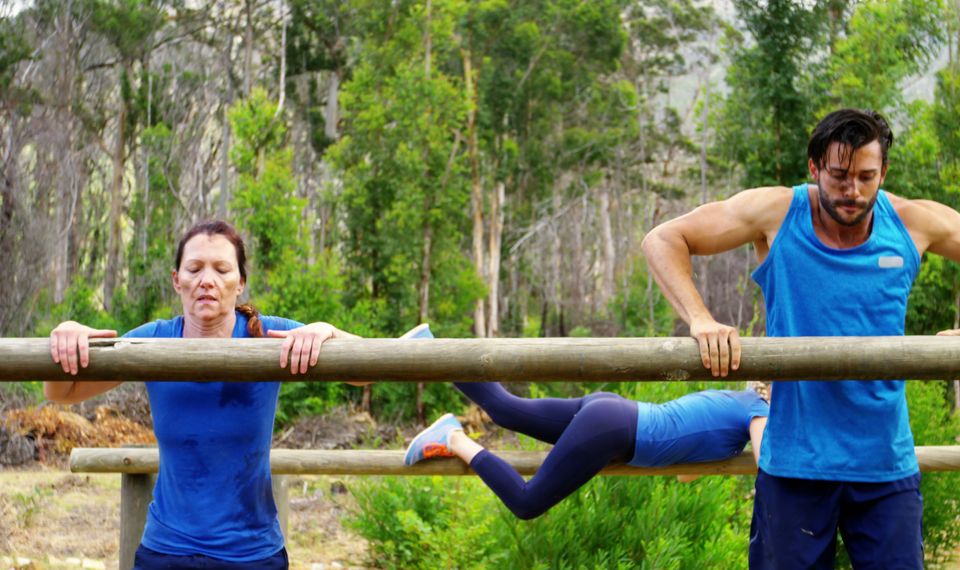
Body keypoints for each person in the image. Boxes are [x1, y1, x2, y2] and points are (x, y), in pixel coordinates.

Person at [641, 108, 960, 569]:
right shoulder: (776, 212)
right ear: (814, 169)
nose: (852, 191)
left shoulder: (911, 223)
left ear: (883, 172)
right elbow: (664, 239)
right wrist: (701, 319)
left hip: (884, 466)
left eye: (866, 177)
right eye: (838, 176)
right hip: (794, 465)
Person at [46, 220, 368, 569]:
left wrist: (327, 331)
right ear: (176, 280)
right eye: (195, 269)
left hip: (253, 553)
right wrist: (66, 334)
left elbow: (367, 374)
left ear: (240, 283)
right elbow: (63, 392)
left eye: (222, 269)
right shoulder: (153, 339)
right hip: (166, 551)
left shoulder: (270, 334)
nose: (206, 280)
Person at [401, 326, 768, 520]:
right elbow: (769, 462)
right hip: (615, 430)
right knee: (526, 503)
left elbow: (684, 473)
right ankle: (452, 437)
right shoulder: (758, 410)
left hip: (612, 414)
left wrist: (730, 449)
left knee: (507, 410)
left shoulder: (735, 403)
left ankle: (429, 348)